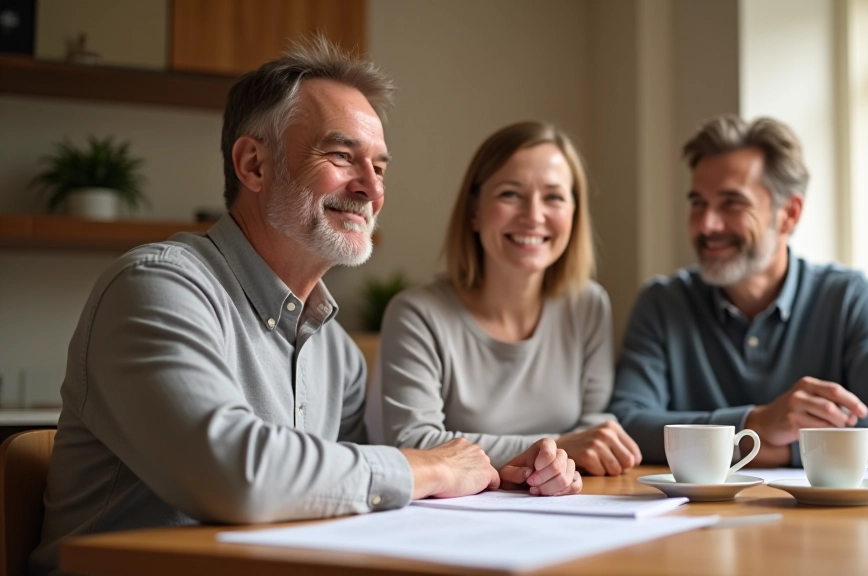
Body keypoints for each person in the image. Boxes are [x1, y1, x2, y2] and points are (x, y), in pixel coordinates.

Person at [30, 38, 574, 576]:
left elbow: (359, 491)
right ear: (253, 165)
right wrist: (423, 468)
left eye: (380, 168)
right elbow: (235, 475)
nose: (370, 189)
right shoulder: (156, 287)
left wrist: (507, 471)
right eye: (341, 156)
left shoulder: (337, 352)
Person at [610, 115, 868, 468]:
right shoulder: (662, 303)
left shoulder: (849, 300)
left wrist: (773, 452)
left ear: (789, 214)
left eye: (732, 203)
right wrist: (756, 422)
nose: (706, 224)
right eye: (698, 203)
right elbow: (626, 426)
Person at [378, 121, 641, 481]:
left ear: (574, 213)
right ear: (474, 211)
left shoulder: (589, 305)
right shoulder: (416, 315)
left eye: (554, 197)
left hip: (564, 500)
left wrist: (556, 461)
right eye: (510, 194)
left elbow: (593, 426)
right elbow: (414, 442)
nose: (533, 215)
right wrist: (558, 447)